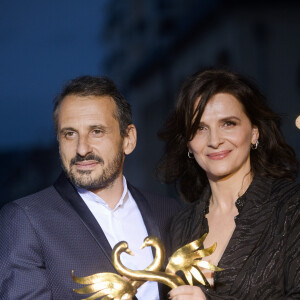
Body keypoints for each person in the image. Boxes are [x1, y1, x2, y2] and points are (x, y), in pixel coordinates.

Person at [0, 76, 182, 299]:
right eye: (70, 134)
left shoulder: (168, 211)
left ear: (128, 139)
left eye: (96, 131)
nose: (82, 148)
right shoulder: (26, 220)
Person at [156, 69, 300, 299]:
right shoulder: (180, 227)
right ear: (188, 144)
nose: (214, 140)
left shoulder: (292, 206)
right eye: (200, 128)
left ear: (254, 132)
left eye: (228, 124)